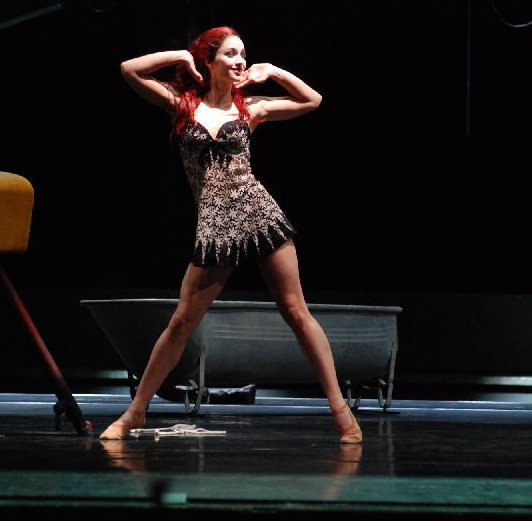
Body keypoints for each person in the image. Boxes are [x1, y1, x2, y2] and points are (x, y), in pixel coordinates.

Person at [99, 26, 361, 443]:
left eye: (244, 54)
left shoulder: (250, 109)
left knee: (296, 311)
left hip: (258, 213)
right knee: (182, 322)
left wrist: (272, 71)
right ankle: (135, 413)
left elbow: (312, 100)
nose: (240, 62)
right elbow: (130, 69)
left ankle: (342, 414)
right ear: (209, 60)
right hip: (216, 223)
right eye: (231, 54)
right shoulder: (182, 104)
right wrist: (179, 56)